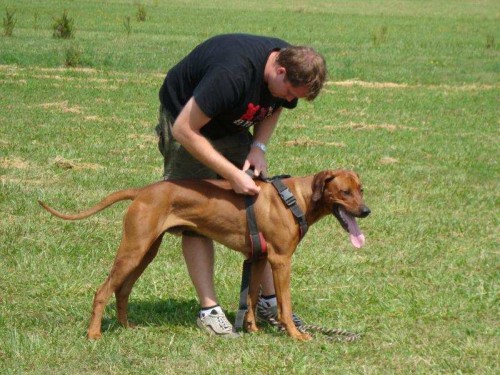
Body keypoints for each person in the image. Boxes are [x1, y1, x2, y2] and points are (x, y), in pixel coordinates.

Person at [155, 33, 326, 338]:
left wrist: (258, 146)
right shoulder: (232, 73)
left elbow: (274, 106)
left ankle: (268, 303)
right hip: (187, 120)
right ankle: (209, 310)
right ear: (279, 71)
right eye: (288, 92)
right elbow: (184, 129)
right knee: (198, 213)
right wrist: (231, 174)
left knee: (259, 206)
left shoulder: (288, 69)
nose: (289, 101)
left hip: (230, 121)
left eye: (294, 98)